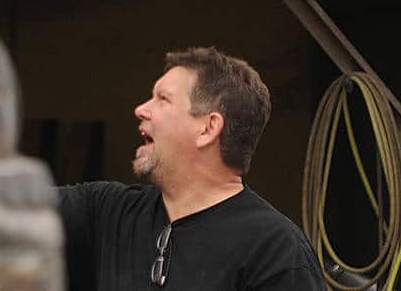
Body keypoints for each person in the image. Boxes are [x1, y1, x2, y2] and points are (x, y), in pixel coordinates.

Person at [58, 46, 324, 290]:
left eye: (162, 99)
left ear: (207, 128)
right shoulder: (107, 211)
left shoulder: (276, 251)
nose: (140, 110)